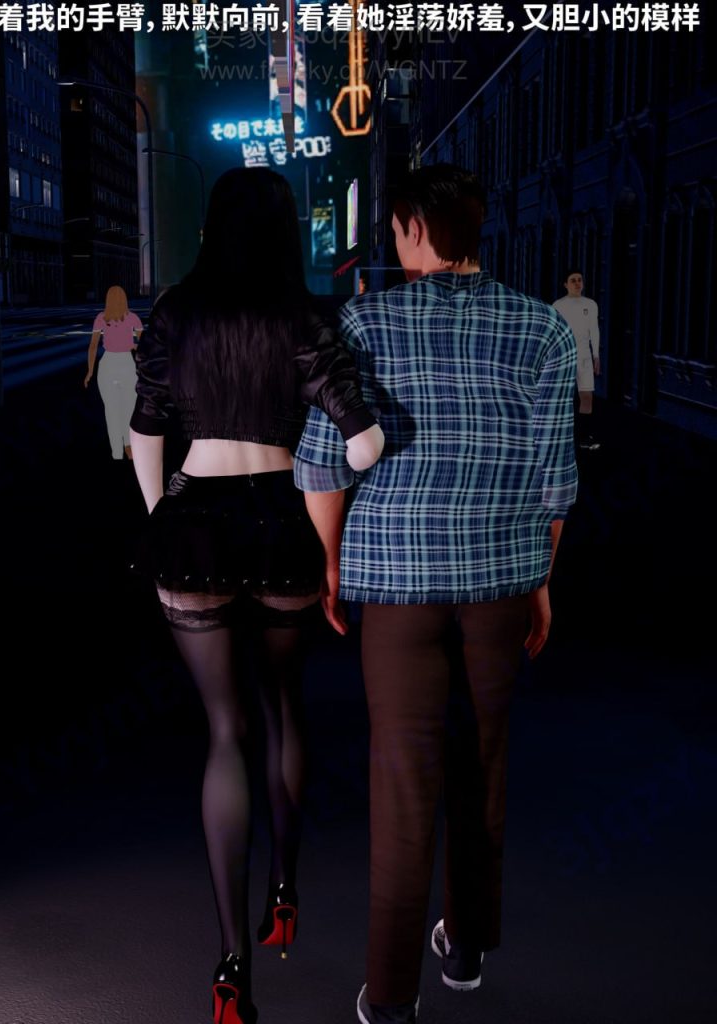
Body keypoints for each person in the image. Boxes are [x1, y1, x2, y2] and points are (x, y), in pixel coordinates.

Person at [293, 165, 578, 1024]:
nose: (392, 239)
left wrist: (333, 562)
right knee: (482, 763)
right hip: (502, 580)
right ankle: (466, 948)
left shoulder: (364, 323)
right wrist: (541, 582)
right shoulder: (542, 328)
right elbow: (555, 481)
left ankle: (389, 994)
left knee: (404, 779)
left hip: (397, 585)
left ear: (416, 227)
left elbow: (322, 463)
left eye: (395, 227)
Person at [128, 167, 384, 1024]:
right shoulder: (304, 316)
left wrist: (164, 516)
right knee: (283, 709)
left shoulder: (176, 311)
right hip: (282, 523)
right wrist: (333, 469)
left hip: (194, 522)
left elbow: (144, 429)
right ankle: (285, 890)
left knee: (225, 731)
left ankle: (232, 965)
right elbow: (365, 441)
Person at [84, 285, 143, 460]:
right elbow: (144, 345)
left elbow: (93, 346)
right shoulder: (133, 318)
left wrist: (90, 371)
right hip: (126, 364)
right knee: (128, 408)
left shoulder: (101, 318)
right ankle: (128, 446)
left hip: (108, 365)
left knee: (111, 411)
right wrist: (132, 345)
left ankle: (116, 453)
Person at [553, 269, 601, 449]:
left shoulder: (591, 304)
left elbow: (594, 330)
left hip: (584, 355)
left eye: (579, 280)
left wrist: (596, 355)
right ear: (565, 284)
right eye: (573, 280)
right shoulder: (558, 305)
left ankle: (583, 437)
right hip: (564, 355)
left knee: (586, 397)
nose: (577, 283)